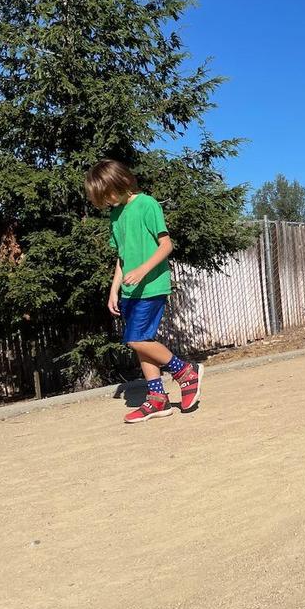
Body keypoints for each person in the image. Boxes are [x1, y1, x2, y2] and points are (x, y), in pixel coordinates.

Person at [84, 159, 204, 423]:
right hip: (130, 292)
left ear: (121, 182)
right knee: (143, 343)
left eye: (107, 194)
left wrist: (142, 270)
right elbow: (122, 257)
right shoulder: (116, 215)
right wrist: (113, 290)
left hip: (151, 286)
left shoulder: (147, 204)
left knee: (135, 339)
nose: (107, 201)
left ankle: (185, 371)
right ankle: (158, 398)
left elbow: (166, 245)